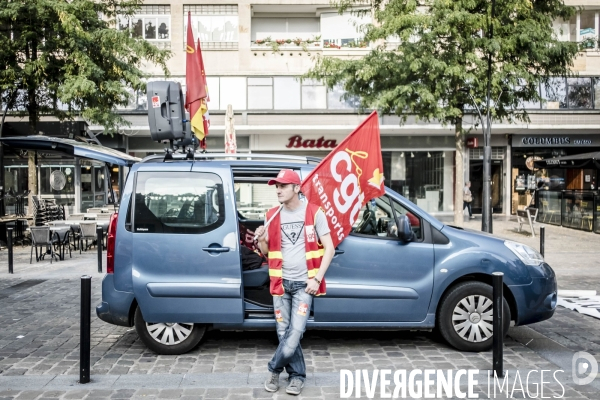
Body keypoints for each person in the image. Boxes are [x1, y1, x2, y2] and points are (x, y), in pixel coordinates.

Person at [254, 169, 334, 396]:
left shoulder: (315, 213)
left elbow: (329, 248)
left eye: (283, 185)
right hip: (280, 284)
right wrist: (261, 238)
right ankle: (297, 376)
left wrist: (317, 279)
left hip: (304, 284)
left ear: (297, 188)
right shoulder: (271, 214)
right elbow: (267, 252)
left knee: (296, 331)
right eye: (276, 186)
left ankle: (273, 369)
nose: (278, 190)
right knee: (283, 332)